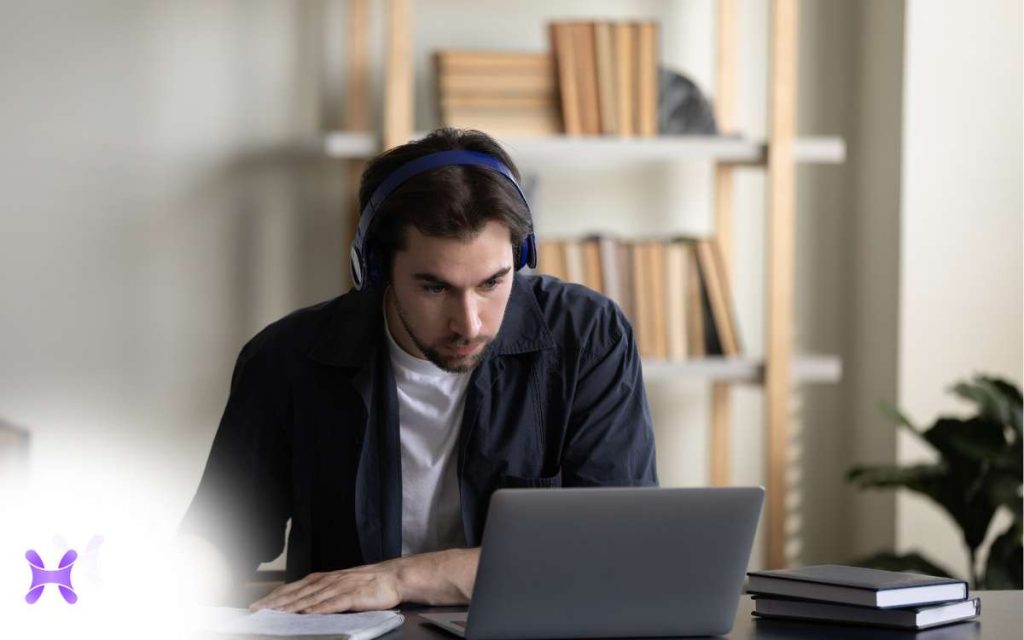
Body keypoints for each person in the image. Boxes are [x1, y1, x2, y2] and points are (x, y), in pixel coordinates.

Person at [179, 128, 658, 614]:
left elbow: (614, 550)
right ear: (375, 269)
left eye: (493, 282)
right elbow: (223, 542)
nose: (469, 322)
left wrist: (401, 578)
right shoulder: (284, 359)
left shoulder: (589, 337)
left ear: (522, 255)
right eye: (435, 289)